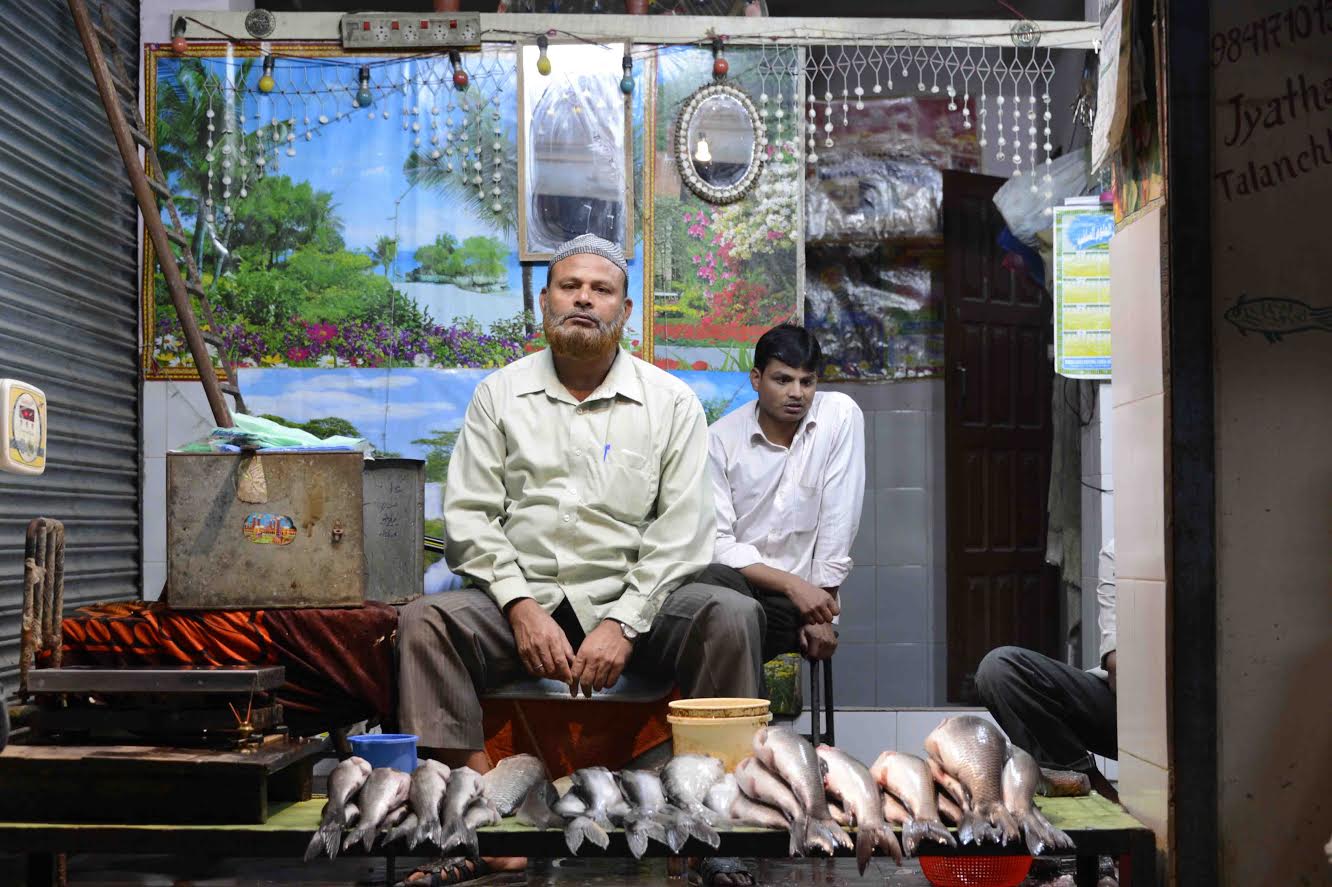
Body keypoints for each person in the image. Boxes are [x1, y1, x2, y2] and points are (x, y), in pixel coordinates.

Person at [397, 235, 766, 887]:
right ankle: (485, 821)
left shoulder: (669, 402)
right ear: (544, 302)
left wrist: (624, 620)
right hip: (521, 604)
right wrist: (518, 604)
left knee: (730, 614)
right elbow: (471, 518)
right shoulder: (499, 395)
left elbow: (684, 530)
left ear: (625, 311)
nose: (584, 299)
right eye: (570, 286)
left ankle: (716, 827)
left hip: (638, 607)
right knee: (425, 622)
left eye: (600, 290)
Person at [697, 323, 866, 664]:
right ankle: (746, 716)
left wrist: (820, 614)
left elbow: (838, 517)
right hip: (741, 585)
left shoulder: (839, 416)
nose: (797, 393)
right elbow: (716, 543)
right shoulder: (719, 440)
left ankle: (745, 716)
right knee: (716, 593)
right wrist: (791, 584)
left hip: (803, 604)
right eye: (783, 380)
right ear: (756, 379)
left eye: (808, 381)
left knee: (735, 627)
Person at [976, 539, 1120, 803]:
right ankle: (1087, 784)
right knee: (999, 670)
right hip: (1130, 711)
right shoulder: (1119, 549)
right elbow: (1118, 671)